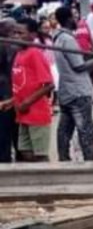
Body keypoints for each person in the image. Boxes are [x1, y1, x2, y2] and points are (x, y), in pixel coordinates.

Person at [52, 5, 93, 161]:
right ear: (67, 19)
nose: (76, 19)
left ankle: (64, 161)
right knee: (85, 131)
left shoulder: (58, 37)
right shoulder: (68, 39)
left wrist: (89, 56)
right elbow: (79, 66)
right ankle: (90, 165)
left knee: (64, 130)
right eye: (74, 16)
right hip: (78, 92)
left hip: (67, 91)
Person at [2, 24, 55, 162]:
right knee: (25, 152)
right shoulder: (19, 54)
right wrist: (11, 102)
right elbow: (23, 87)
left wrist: (27, 102)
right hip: (23, 114)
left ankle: (49, 180)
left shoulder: (35, 53)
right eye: (15, 33)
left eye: (21, 33)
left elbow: (48, 85)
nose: (17, 37)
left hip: (36, 114)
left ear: (32, 35)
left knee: (40, 155)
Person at [0, 20, 18, 162]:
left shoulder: (9, 46)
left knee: (7, 131)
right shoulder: (8, 45)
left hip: (9, 93)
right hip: (8, 93)